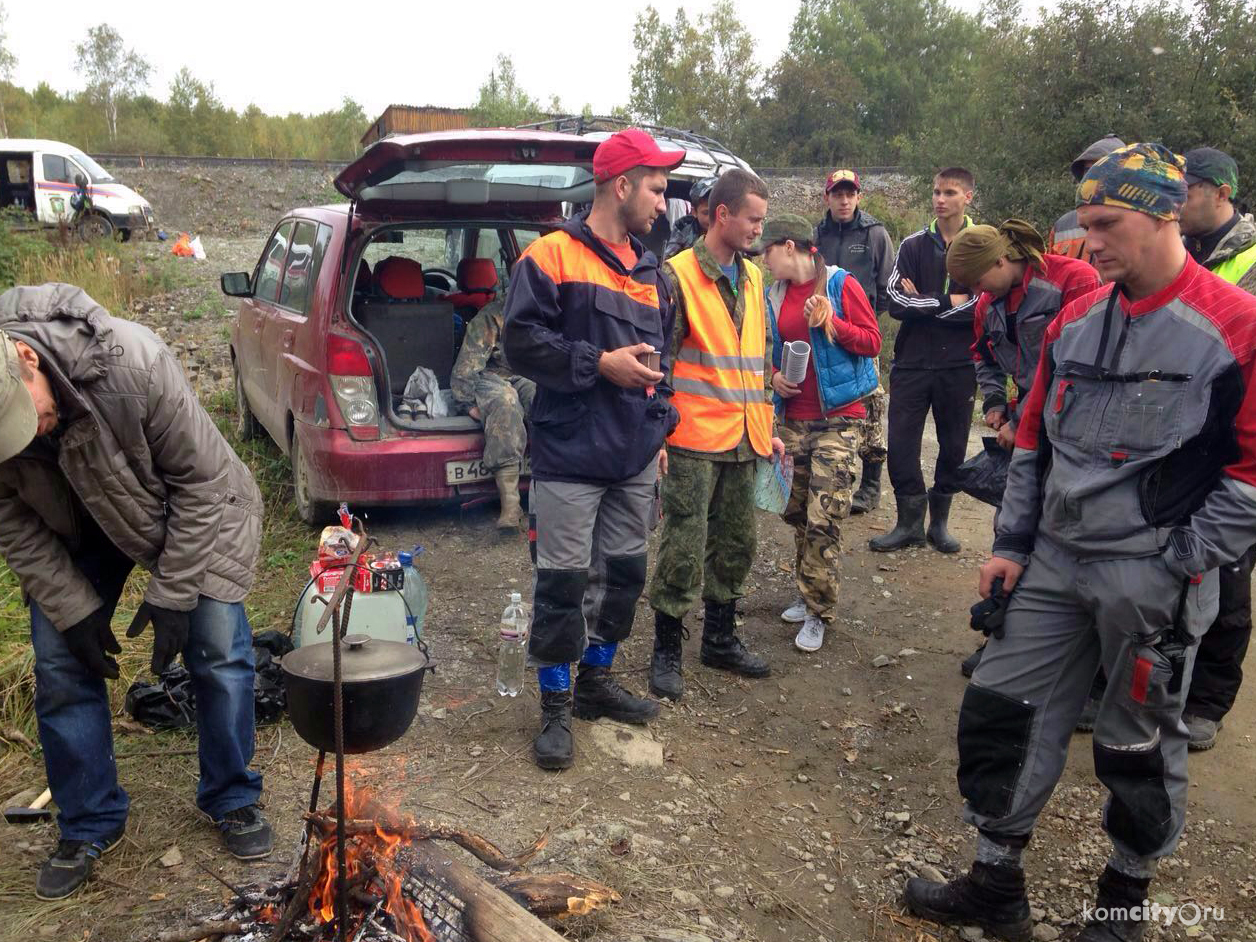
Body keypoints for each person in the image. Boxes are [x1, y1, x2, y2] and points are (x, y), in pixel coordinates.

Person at [905, 143, 1256, 942]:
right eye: (1086, 224)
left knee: (1138, 744)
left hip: (1153, 577)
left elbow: (1251, 476)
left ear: (1167, 213)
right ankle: (996, 882)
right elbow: (1033, 443)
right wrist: (1013, 544)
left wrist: (1179, 563)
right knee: (1002, 709)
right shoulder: (1077, 319)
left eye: (1107, 224)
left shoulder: (1236, 327)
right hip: (1054, 564)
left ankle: (1121, 905)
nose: (1088, 243)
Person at [0, 285, 271, 901]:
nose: (28, 437)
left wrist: (174, 594)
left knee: (218, 647)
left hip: (179, 511)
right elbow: (11, 520)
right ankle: (90, 820)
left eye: (30, 419)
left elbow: (202, 486)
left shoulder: (131, 362)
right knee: (60, 664)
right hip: (70, 533)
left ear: (29, 359)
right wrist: (73, 612)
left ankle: (231, 794)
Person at [502, 128, 683, 770]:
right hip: (570, 456)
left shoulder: (652, 272)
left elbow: (667, 359)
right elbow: (519, 345)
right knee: (562, 584)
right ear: (622, 184)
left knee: (625, 575)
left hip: (633, 457)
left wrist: (660, 431)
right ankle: (554, 706)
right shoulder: (550, 257)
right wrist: (598, 364)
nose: (664, 204)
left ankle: (595, 684)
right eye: (658, 190)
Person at [945, 219, 1100, 677]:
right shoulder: (988, 303)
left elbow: (1073, 365)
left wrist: (1023, 418)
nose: (976, 291)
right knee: (1011, 534)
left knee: (1071, 540)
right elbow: (984, 357)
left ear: (1000, 260)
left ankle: (1082, 664)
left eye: (977, 280)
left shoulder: (1072, 281)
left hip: (1077, 435)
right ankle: (1002, 636)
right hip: (1025, 430)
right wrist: (995, 403)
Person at [647, 169, 780, 701]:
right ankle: (666, 652)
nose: (758, 231)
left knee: (737, 543)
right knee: (683, 542)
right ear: (721, 215)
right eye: (752, 219)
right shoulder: (675, 277)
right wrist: (656, 435)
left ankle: (720, 640)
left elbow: (759, 360)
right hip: (694, 439)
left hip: (745, 439)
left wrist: (769, 428)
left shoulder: (753, 278)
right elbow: (660, 364)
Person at [1163, 146, 1256, 750]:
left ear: (1220, 191)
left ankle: (1207, 702)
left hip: (1236, 434)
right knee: (1165, 569)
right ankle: (1152, 682)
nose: (1175, 202)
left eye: (1186, 189)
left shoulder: (1249, 257)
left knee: (1227, 575)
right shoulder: (1177, 251)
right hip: (1178, 434)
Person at [762, 213, 880, 652]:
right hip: (793, 418)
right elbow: (767, 350)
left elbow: (872, 342)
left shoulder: (839, 285)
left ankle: (819, 611)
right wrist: (773, 376)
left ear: (789, 246)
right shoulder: (773, 295)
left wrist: (833, 325)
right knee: (795, 511)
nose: (764, 261)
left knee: (824, 515)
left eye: (768, 252)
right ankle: (807, 587)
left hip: (840, 416)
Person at [871, 167, 978, 554]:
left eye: (949, 192)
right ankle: (908, 522)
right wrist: (948, 300)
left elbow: (983, 305)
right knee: (900, 445)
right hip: (912, 363)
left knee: (952, 446)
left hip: (960, 365)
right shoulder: (913, 245)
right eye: (936, 191)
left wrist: (925, 302)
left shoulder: (981, 244)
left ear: (967, 196)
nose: (940, 198)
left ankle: (940, 524)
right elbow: (896, 302)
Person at [813, 169, 894, 516]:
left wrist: (866, 318)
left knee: (871, 407)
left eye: (850, 194)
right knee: (828, 403)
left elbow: (889, 283)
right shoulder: (817, 234)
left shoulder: (875, 233)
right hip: (822, 332)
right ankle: (831, 477)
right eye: (837, 194)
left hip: (862, 331)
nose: (844, 200)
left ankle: (871, 485)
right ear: (827, 197)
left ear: (859, 197)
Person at [450, 299, 536, 530]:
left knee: (545, 402)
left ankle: (552, 500)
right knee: (505, 405)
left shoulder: (554, 310)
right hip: (493, 375)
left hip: (532, 375)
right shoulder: (493, 315)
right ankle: (511, 505)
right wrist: (466, 402)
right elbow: (468, 364)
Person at [1047, 136, 1125, 259]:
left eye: (1102, 169)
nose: (1093, 177)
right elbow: (1052, 273)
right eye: (1089, 171)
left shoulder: (1136, 221)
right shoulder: (1062, 226)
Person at [663, 176, 717, 259]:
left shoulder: (731, 229)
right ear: (694, 212)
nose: (713, 218)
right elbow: (669, 261)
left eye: (720, 213)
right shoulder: (683, 228)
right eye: (706, 213)